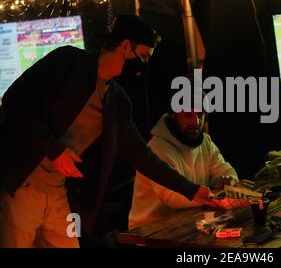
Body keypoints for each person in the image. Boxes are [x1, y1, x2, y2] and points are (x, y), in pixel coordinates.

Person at [0, 14, 217, 248]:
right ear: (124, 46)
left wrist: (191, 190)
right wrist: (54, 149)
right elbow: (14, 100)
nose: (143, 66)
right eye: (142, 57)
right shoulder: (68, 61)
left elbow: (142, 156)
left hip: (57, 192)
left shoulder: (117, 101)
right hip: (20, 183)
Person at [128, 82, 238, 229]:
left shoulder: (205, 142)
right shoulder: (157, 148)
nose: (196, 121)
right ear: (173, 114)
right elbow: (175, 197)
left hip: (189, 225)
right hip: (149, 232)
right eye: (187, 114)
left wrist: (226, 181)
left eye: (200, 114)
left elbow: (228, 172)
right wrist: (217, 188)